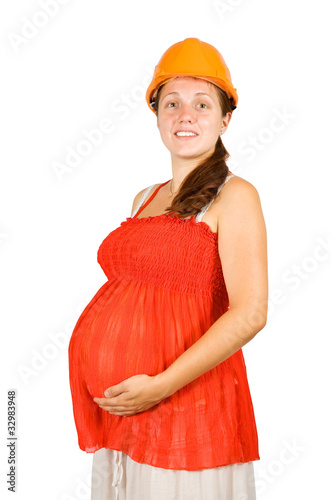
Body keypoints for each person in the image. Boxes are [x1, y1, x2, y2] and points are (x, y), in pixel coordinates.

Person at [68, 37, 268, 500]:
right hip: (126, 418)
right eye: (172, 103)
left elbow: (250, 312)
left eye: (202, 104)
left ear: (226, 118)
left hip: (188, 414)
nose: (185, 115)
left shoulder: (235, 196)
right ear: (156, 115)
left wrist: (159, 386)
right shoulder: (145, 198)